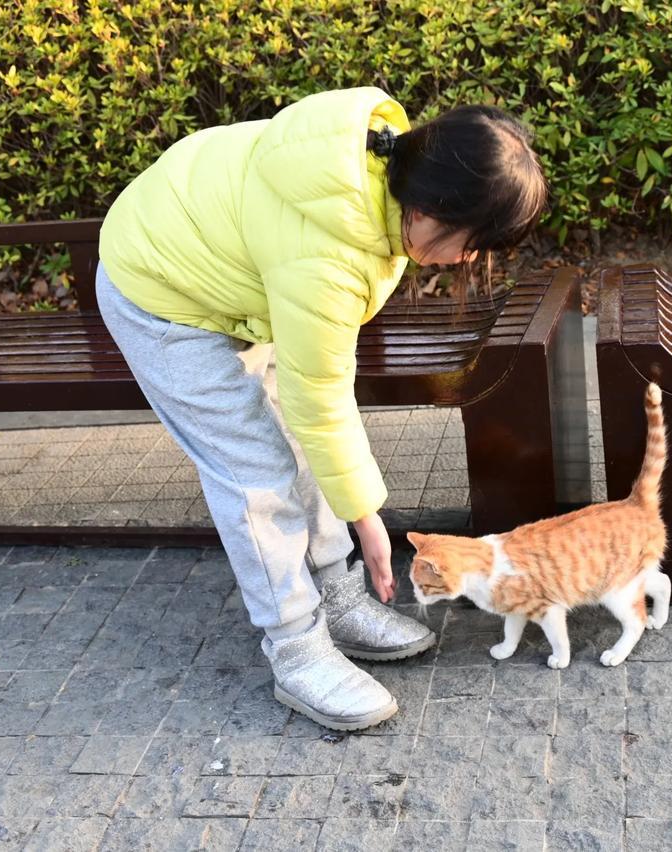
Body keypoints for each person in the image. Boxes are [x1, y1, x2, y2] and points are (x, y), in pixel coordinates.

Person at [95, 86, 547, 730]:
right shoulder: (330, 253)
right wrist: (369, 520)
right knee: (253, 473)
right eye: (477, 240)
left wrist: (356, 516)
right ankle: (296, 647)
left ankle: (333, 596)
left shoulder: (376, 180)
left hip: (222, 270)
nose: (473, 258)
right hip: (159, 293)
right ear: (431, 207)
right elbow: (324, 399)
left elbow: (317, 403)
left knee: (299, 443)